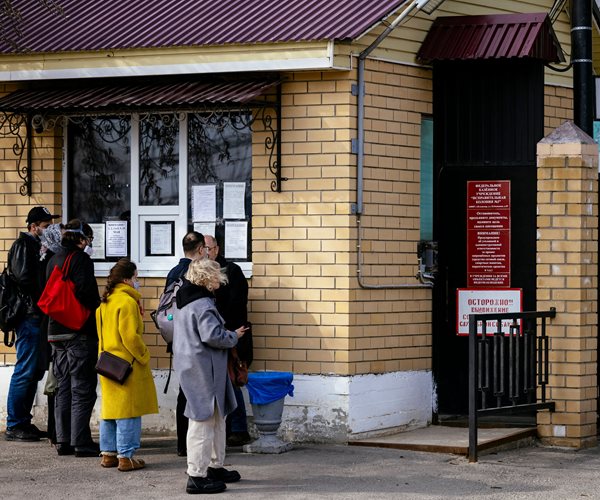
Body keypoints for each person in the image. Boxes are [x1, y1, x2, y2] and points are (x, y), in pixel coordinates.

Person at [173, 258, 248, 494]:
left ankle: (213, 466)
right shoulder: (203, 303)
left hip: (193, 363)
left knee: (215, 418)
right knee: (204, 420)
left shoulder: (185, 297)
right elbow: (212, 336)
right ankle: (196, 474)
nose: (220, 280)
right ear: (206, 278)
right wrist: (233, 336)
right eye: (216, 276)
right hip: (204, 367)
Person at [96, 258, 158, 472]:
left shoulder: (106, 302)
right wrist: (143, 355)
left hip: (107, 364)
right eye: (135, 277)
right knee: (129, 411)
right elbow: (130, 336)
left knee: (111, 411)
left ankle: (108, 454)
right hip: (127, 364)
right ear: (126, 279)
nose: (137, 281)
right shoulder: (127, 302)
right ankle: (126, 456)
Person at [46, 220, 101, 457]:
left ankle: (63, 440)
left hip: (55, 331)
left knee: (63, 386)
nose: (89, 244)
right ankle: (81, 441)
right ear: (82, 239)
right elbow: (87, 293)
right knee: (83, 387)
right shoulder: (81, 259)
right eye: (88, 239)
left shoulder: (53, 259)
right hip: (78, 331)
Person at [5, 206, 59, 442]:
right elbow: (25, 279)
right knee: (25, 370)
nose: (48, 230)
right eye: (45, 227)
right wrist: (43, 258)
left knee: (35, 370)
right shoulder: (23, 246)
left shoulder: (37, 247)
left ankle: (23, 421)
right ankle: (15, 423)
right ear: (33, 227)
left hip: (37, 315)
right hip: (28, 316)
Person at [204, 235, 252, 447]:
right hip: (218, 335)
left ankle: (239, 429)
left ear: (216, 249)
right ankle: (230, 427)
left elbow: (236, 305)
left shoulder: (232, 272)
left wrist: (227, 332)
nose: (206, 252)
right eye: (202, 249)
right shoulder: (204, 273)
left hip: (232, 334)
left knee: (232, 381)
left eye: (209, 248)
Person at [164, 230, 205, 457]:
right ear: (200, 249)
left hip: (177, 339)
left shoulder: (173, 272)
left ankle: (182, 444)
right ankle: (194, 444)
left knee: (184, 391)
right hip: (195, 341)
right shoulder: (195, 272)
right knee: (197, 393)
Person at [38, 222, 65, 446]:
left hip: (50, 326)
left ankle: (54, 431)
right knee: (56, 382)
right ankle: (55, 432)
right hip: (56, 325)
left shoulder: (48, 259)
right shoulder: (55, 261)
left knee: (54, 380)